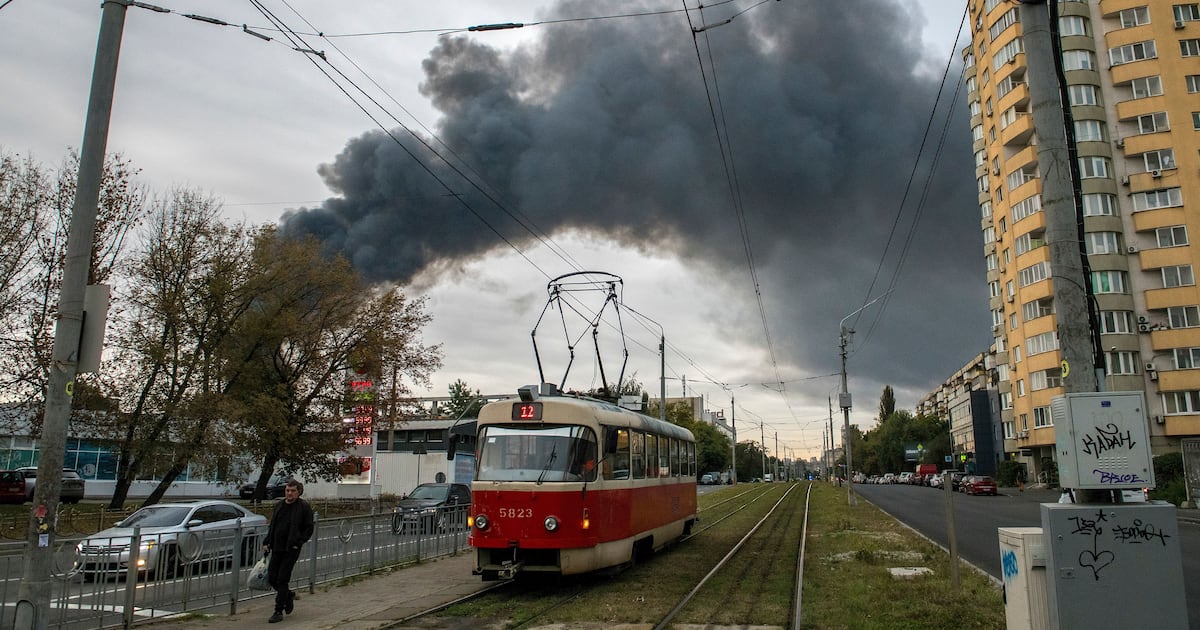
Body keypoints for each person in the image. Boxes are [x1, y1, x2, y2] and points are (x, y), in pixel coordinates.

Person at [264, 479, 315, 623]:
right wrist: (267, 541)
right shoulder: (279, 505)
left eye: (293, 491)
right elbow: (273, 525)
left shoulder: (303, 507)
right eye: (287, 490)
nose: (289, 493)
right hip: (277, 546)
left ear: (298, 492)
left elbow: (309, 527)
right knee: (272, 577)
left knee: (282, 579)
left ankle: (278, 610)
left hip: (291, 548)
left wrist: (299, 542)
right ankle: (287, 595)